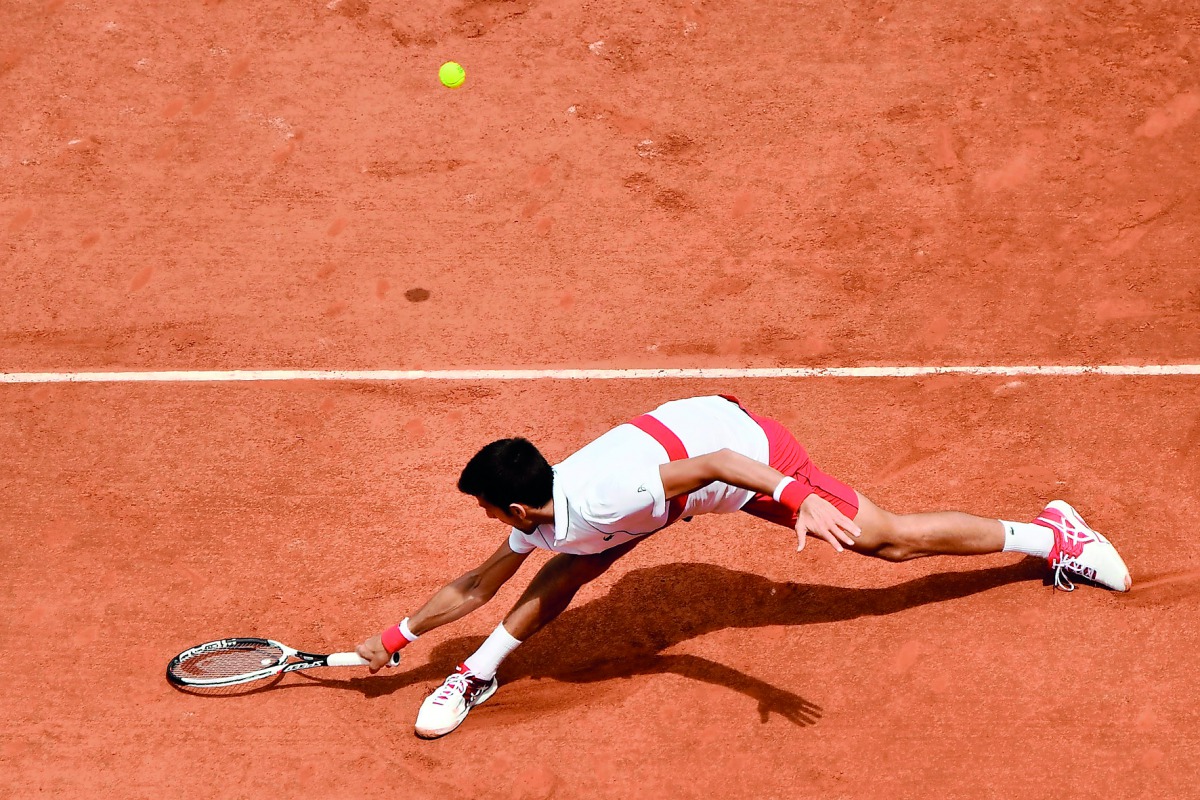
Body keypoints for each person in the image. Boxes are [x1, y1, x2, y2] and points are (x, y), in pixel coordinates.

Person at [355, 394, 1130, 739]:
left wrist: (795, 492)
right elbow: (478, 583)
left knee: (883, 539)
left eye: (488, 510)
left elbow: (719, 461)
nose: (489, 521)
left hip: (743, 456)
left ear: (518, 509)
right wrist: (394, 637)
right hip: (673, 468)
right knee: (565, 571)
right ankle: (480, 673)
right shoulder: (552, 511)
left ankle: (1050, 534)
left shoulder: (602, 494)